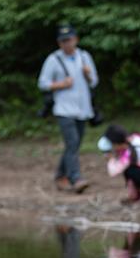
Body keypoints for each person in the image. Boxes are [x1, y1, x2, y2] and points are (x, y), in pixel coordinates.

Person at [38, 24, 98, 194]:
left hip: (83, 108)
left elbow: (94, 82)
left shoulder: (85, 57)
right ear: (59, 43)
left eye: (69, 40)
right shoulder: (53, 59)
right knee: (71, 143)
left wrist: (87, 74)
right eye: (63, 41)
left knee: (74, 145)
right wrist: (60, 84)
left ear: (75, 39)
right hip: (64, 109)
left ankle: (59, 176)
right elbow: (43, 83)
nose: (67, 44)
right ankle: (76, 178)